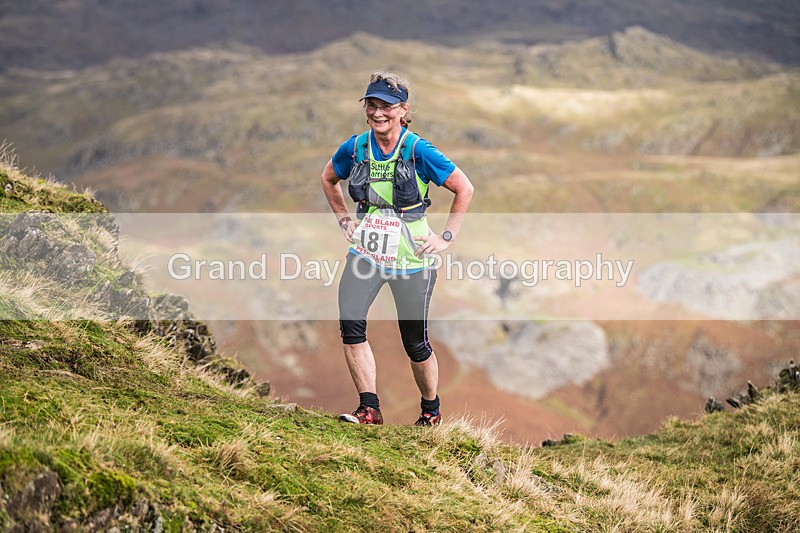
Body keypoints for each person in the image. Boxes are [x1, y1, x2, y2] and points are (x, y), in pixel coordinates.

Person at [321, 71, 474, 426]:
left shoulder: (419, 150)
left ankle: (430, 410)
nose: (378, 113)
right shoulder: (356, 147)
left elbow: (464, 188)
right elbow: (329, 177)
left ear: (403, 110)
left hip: (412, 260)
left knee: (415, 344)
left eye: (386, 107)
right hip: (366, 255)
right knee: (351, 325)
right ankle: (369, 409)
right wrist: (345, 219)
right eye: (371, 105)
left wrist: (446, 238)